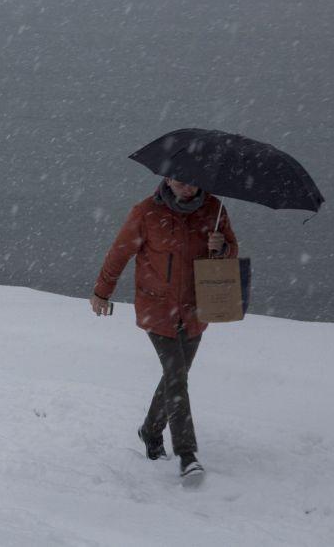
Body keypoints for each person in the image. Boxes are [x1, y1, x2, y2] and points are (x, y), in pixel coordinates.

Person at [89, 176, 238, 484]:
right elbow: (119, 253)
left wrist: (221, 247)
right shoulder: (146, 212)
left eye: (194, 182)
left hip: (197, 309)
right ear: (167, 179)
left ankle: (150, 430)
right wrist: (102, 292)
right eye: (181, 181)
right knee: (176, 376)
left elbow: (231, 252)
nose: (188, 187)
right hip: (158, 310)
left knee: (176, 375)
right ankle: (187, 455)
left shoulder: (214, 209)